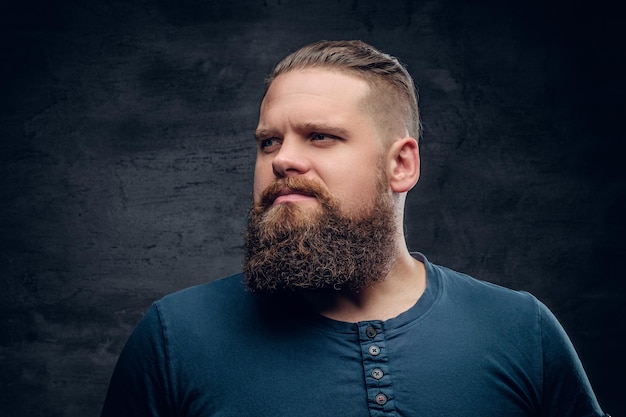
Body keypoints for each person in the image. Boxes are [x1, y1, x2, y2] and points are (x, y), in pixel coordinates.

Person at [101, 40, 608, 416]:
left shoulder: (521, 331)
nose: (283, 161)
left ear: (401, 165)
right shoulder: (175, 336)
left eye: (320, 136)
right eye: (268, 142)